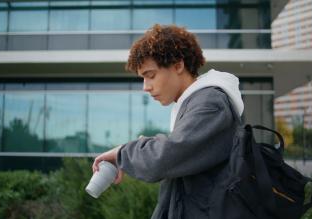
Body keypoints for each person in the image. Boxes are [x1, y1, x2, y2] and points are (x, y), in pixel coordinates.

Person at [92, 24, 244, 219]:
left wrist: (123, 153)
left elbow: (166, 156)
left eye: (151, 75)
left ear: (178, 65)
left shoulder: (210, 103)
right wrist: (138, 153)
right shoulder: (192, 104)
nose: (145, 87)